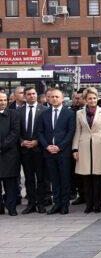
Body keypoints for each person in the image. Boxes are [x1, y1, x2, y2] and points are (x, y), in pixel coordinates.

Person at [73, 88, 101, 214]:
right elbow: (77, 131)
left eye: (94, 98)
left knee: (98, 178)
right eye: (90, 98)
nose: (92, 100)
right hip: (84, 146)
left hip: (99, 146)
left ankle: (97, 205)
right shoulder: (79, 113)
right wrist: (75, 148)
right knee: (86, 178)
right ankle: (88, 205)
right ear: (85, 100)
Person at [38, 88, 76, 215]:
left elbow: (70, 132)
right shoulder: (44, 114)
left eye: (57, 97)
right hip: (49, 152)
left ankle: (64, 205)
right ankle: (57, 203)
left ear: (62, 98)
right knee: (54, 179)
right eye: (52, 96)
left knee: (64, 178)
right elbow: (40, 132)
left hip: (63, 152)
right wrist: (47, 146)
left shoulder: (69, 114)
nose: (54, 99)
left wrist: (59, 146)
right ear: (49, 98)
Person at [20, 86, 49, 214]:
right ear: (25, 96)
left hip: (39, 150)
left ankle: (41, 203)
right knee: (29, 178)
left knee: (41, 178)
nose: (32, 96)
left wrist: (37, 141)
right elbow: (16, 130)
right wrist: (21, 141)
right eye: (29, 94)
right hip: (25, 150)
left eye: (33, 93)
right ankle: (30, 204)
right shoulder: (18, 112)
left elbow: (47, 130)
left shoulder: (44, 110)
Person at [0, 93, 20, 215]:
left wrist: (2, 146)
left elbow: (15, 132)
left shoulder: (14, 114)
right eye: (0, 100)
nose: (2, 102)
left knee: (11, 183)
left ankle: (11, 207)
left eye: (4, 100)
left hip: (10, 155)